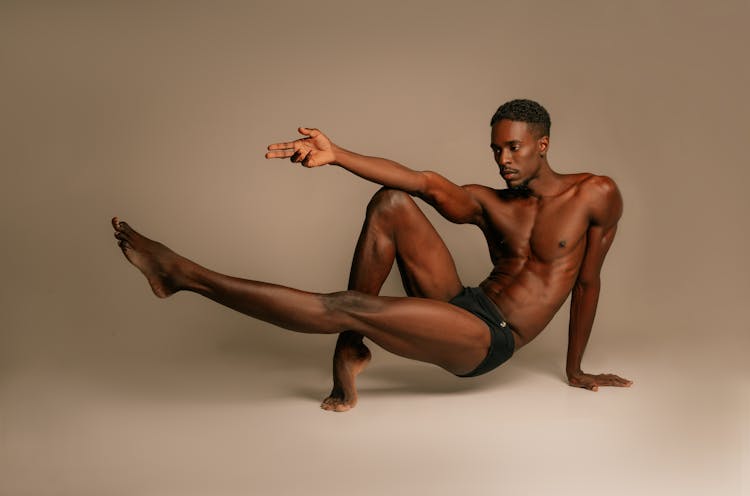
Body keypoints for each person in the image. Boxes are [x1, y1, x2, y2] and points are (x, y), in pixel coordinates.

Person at [112, 99, 632, 412]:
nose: (502, 159)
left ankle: (187, 276)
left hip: (489, 339)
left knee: (345, 304)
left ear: (542, 144)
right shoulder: (490, 202)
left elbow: (587, 283)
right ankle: (353, 349)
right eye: (496, 148)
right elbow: (425, 183)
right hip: (464, 303)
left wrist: (576, 370)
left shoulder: (595, 194)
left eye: (514, 148)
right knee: (392, 202)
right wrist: (337, 155)